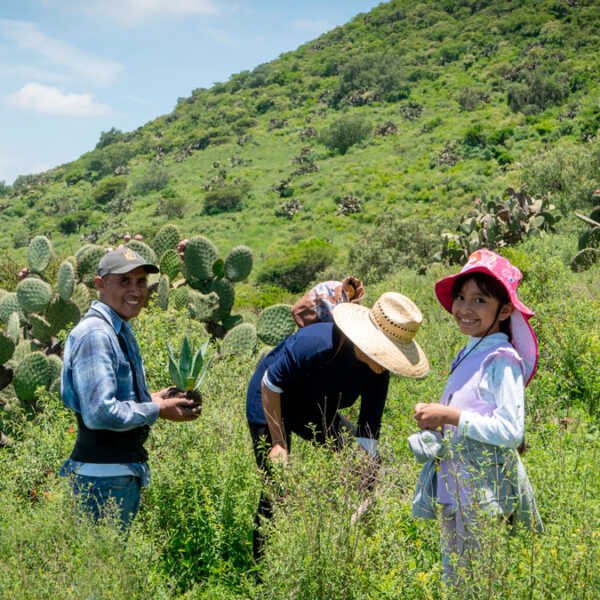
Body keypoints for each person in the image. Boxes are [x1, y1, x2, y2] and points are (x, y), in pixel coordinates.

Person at [247, 291, 429, 557]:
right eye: (387, 353)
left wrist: (365, 477)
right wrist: (278, 442)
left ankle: (346, 541)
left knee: (358, 463)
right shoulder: (317, 344)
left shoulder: (379, 373)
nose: (387, 363)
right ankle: (261, 567)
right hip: (271, 399)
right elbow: (271, 383)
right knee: (276, 485)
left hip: (317, 406)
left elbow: (368, 431)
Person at [411, 249, 542, 583]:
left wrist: (451, 416)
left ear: (505, 310)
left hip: (485, 496)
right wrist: (437, 422)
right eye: (460, 297)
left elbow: (511, 431)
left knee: (481, 582)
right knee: (456, 580)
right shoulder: (469, 351)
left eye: (480, 300)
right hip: (456, 490)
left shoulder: (502, 359)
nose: (465, 310)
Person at [60, 246, 201, 529]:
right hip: (103, 480)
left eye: (140, 282)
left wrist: (158, 397)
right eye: (124, 281)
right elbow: (100, 412)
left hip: (114, 475)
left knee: (108, 567)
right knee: (103, 568)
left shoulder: (117, 328)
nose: (136, 290)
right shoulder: (97, 334)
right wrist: (159, 409)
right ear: (100, 284)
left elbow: (113, 399)